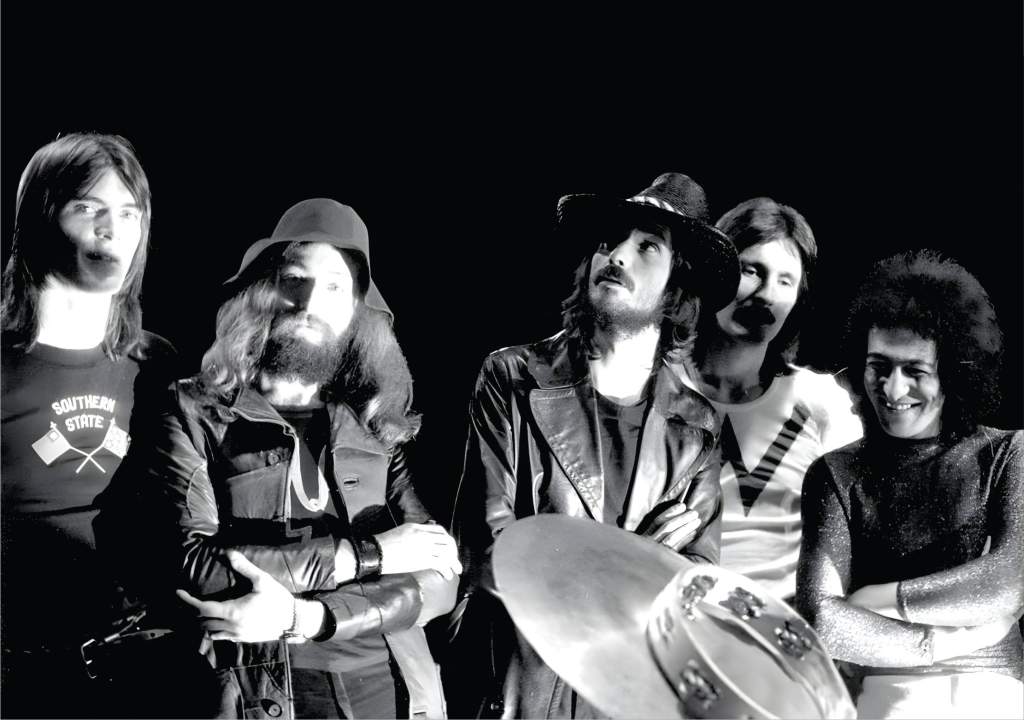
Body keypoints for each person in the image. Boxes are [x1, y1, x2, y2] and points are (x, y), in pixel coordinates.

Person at [99, 199, 459, 719]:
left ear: (356, 311)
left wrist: (308, 617)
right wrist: (370, 556)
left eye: (334, 287)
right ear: (261, 292)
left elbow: (439, 578)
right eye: (294, 279)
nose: (309, 302)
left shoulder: (374, 422)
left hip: (393, 687)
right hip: (260, 690)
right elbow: (193, 565)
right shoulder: (191, 410)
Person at [449, 173, 738, 718]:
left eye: (647, 246)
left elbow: (694, 590)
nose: (618, 255)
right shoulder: (512, 377)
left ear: (677, 289)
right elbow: (492, 556)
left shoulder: (699, 425)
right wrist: (633, 561)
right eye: (610, 241)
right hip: (519, 687)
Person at [796, 250, 1023, 719]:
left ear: (954, 372)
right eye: (878, 366)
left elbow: (1006, 584)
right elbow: (824, 621)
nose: (892, 389)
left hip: (995, 696)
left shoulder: (1008, 453)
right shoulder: (835, 474)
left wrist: (874, 600)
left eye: (915, 371)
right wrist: (938, 642)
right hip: (888, 700)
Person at [0, 133, 176, 718]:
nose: (112, 229)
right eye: (87, 207)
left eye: (129, 213)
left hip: (139, 661)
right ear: (41, 217)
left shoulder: (156, 363)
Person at [686, 197, 862, 601]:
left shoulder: (818, 400)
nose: (766, 295)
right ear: (715, 269)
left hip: (783, 624)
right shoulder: (655, 387)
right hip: (668, 609)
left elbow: (867, 520)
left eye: (785, 281)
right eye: (751, 271)